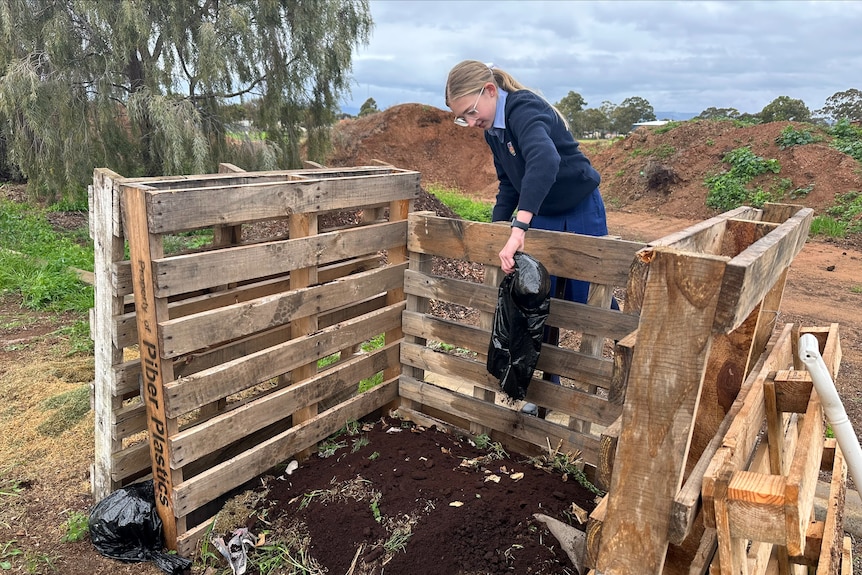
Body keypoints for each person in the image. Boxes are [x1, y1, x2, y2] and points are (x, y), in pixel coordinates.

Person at [445, 60, 616, 415]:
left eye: (472, 112)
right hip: (544, 211)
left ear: (490, 91)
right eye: (463, 118)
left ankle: (630, 367)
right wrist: (497, 231)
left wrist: (519, 227)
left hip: (579, 207)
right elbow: (510, 183)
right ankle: (547, 394)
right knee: (543, 300)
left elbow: (544, 160)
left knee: (591, 299)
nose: (471, 122)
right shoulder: (494, 131)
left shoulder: (524, 108)